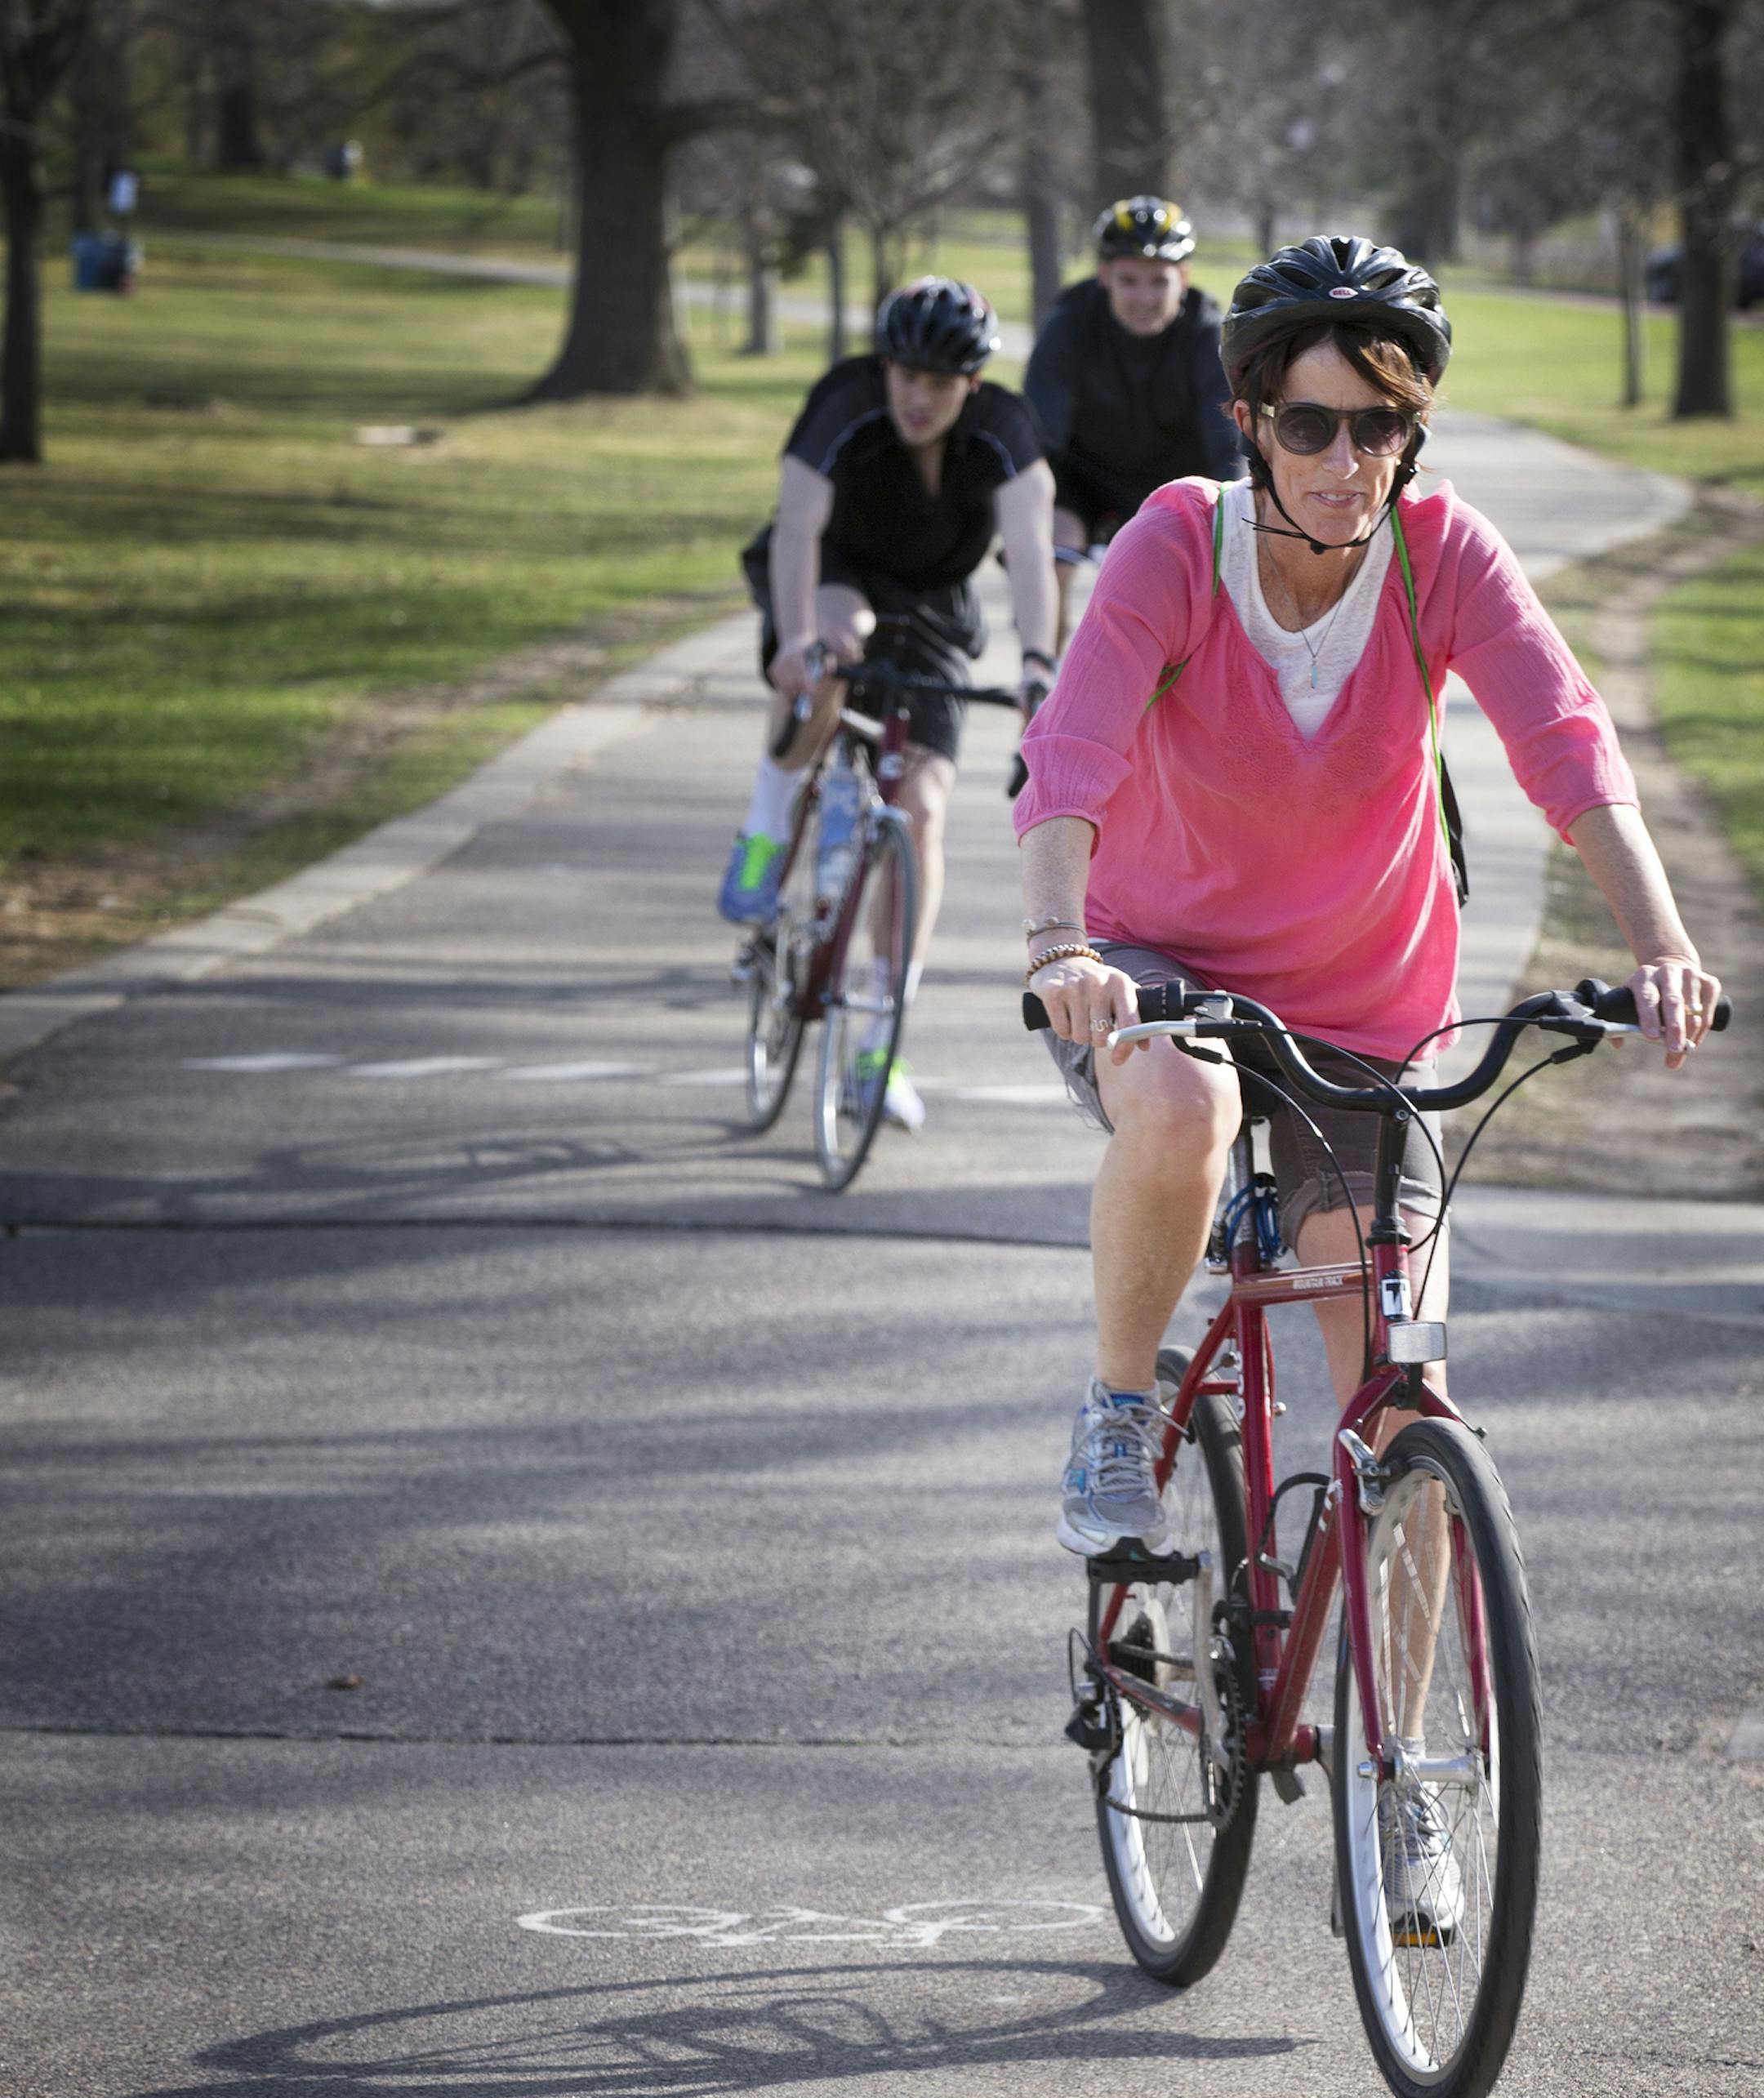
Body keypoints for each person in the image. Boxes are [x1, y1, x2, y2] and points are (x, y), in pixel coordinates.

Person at [1012, 233, 1720, 1561]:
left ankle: (1415, 1768)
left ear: (1415, 424)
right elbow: (1071, 756)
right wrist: (1061, 943)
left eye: (1381, 425)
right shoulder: (1177, 541)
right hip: (1161, 972)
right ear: (1250, 422)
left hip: (1366, 1015)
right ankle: (1118, 1404)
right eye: (1312, 424)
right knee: (1182, 1101)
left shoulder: (1444, 553)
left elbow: (1568, 746)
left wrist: (1661, 942)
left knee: (1407, 1422)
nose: (1347, 463)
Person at [719, 278, 1058, 1134]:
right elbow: (797, 526)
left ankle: (882, 1039)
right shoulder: (843, 400)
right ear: (885, 366)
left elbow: (1026, 548)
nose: (918, 397)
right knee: (838, 642)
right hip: (831, 576)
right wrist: (798, 639)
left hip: (934, 605)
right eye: (906, 375)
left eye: (941, 384)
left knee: (924, 811)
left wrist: (1036, 663)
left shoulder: (1006, 431)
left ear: (972, 387)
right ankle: (766, 826)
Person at [1023, 197, 1244, 646]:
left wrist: (1236, 519)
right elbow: (1037, 432)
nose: (1144, 298)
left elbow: (1230, 441)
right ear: (1104, 275)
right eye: (1128, 281)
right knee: (1054, 548)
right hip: (1083, 480)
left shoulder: (1207, 334)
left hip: (1173, 485)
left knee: (1190, 579)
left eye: (1158, 282)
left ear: (1182, 279)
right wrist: (1023, 517)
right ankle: (1041, 678)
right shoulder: (1069, 322)